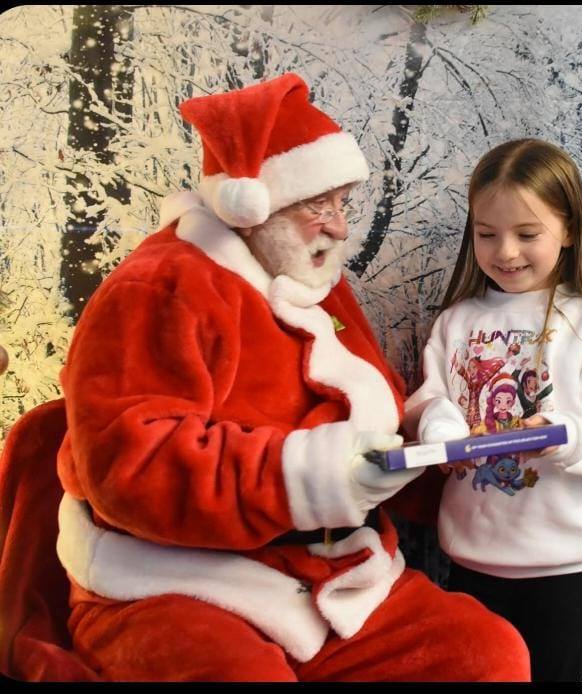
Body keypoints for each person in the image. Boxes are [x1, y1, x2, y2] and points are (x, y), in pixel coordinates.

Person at [2, 73, 530, 682]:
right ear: (251, 206)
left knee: (487, 653)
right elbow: (127, 465)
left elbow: (372, 408)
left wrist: (430, 436)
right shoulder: (158, 287)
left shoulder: (316, 282)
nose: (339, 227)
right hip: (176, 585)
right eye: (318, 206)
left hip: (336, 576)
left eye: (343, 205)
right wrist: (307, 476)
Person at [403, 138, 582, 682]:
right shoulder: (457, 321)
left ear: (568, 230)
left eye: (527, 234)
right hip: (471, 558)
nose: (506, 252)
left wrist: (562, 435)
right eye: (487, 234)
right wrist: (443, 429)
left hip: (563, 567)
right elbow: (430, 397)